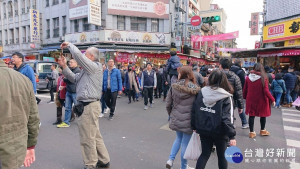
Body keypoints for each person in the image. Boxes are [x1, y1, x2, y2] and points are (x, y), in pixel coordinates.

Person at [58, 42, 110, 169]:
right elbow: (74, 78)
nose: (83, 56)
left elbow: (78, 57)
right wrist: (64, 66)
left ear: (91, 57)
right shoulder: (87, 70)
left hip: (89, 105)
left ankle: (90, 164)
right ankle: (103, 160)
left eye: (85, 54)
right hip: (89, 105)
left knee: (87, 137)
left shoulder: (94, 66)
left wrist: (70, 45)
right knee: (94, 135)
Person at [0, 53, 40, 169]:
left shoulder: (26, 70)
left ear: (20, 59)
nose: (13, 59)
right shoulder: (21, 78)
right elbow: (33, 117)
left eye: (15, 58)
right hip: (14, 147)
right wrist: (30, 145)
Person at [192, 70, 236, 169]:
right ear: (224, 80)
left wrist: (194, 126)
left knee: (204, 154)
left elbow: (195, 110)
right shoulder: (226, 96)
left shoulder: (201, 92)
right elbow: (227, 118)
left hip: (204, 129)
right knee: (222, 156)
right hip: (220, 131)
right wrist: (231, 136)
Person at [166, 66, 201, 169]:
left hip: (176, 117)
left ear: (181, 74)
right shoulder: (195, 89)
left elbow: (168, 104)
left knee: (178, 139)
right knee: (185, 143)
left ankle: (170, 159)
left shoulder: (174, 86)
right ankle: (183, 167)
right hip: (189, 120)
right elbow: (197, 106)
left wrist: (171, 114)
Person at [243, 63, 275, 138]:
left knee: (251, 115)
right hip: (261, 100)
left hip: (250, 99)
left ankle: (251, 132)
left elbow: (245, 89)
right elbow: (266, 91)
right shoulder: (264, 78)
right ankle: (262, 130)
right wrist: (272, 99)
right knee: (263, 115)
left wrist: (244, 97)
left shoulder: (248, 77)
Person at [219, 58, 248, 129]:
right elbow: (239, 92)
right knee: (229, 114)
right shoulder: (235, 77)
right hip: (231, 99)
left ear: (221, 66)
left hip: (218, 99)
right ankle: (230, 128)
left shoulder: (216, 75)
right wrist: (241, 106)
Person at [57, 59, 81, 127]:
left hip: (75, 92)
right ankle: (66, 122)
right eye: (69, 62)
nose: (70, 63)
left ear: (76, 63)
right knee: (67, 107)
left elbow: (73, 80)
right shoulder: (69, 69)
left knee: (78, 107)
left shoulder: (78, 70)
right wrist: (67, 78)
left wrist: (67, 79)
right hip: (68, 91)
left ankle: (81, 121)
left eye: (71, 62)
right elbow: (65, 78)